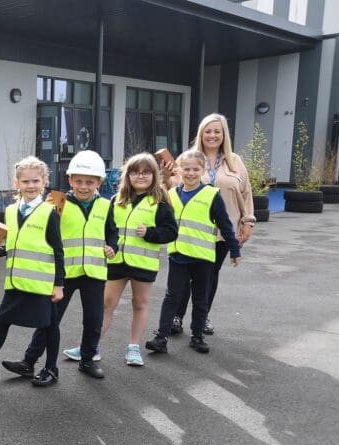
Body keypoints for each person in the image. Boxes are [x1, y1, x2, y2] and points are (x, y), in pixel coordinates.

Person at [2, 150, 117, 384]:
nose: (84, 186)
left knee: (94, 319)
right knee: (49, 320)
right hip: (62, 274)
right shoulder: (57, 201)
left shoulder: (106, 205)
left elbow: (112, 233)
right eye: (79, 181)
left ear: (99, 182)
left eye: (90, 182)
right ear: (70, 180)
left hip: (94, 272)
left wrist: (112, 246)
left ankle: (87, 359)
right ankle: (29, 361)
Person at [0, 156, 64, 384]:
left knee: (49, 326)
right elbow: (19, 244)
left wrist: (59, 284)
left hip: (42, 284)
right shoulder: (10, 211)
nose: (31, 186)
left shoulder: (49, 212)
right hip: (15, 282)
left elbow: (57, 251)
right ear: (16, 183)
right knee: (1, 323)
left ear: (44, 182)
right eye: (26, 181)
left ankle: (51, 369)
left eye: (36, 181)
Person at [147, 150, 242, 355]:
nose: (191, 173)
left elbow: (225, 225)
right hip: (178, 255)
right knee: (172, 296)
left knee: (200, 298)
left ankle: (197, 337)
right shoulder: (171, 194)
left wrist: (235, 249)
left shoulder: (211, 195)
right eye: (186, 169)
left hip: (203, 257)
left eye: (196, 169)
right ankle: (161, 337)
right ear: (179, 170)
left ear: (203, 170)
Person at [171, 113, 255, 336]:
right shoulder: (187, 158)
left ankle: (202, 316)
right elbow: (172, 190)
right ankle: (176, 316)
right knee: (185, 274)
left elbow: (246, 193)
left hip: (222, 232)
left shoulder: (235, 161)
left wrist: (248, 222)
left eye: (217, 131)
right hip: (190, 229)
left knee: (209, 274)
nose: (213, 135)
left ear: (224, 134)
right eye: (208, 131)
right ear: (201, 133)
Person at [98, 153, 178, 366]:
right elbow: (107, 229)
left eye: (146, 172)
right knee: (106, 304)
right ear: (128, 175)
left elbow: (171, 232)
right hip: (117, 262)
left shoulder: (159, 201)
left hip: (143, 264)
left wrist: (151, 232)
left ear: (154, 175)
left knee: (140, 304)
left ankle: (133, 348)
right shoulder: (116, 200)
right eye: (135, 172)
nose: (140, 176)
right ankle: (91, 345)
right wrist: (107, 245)